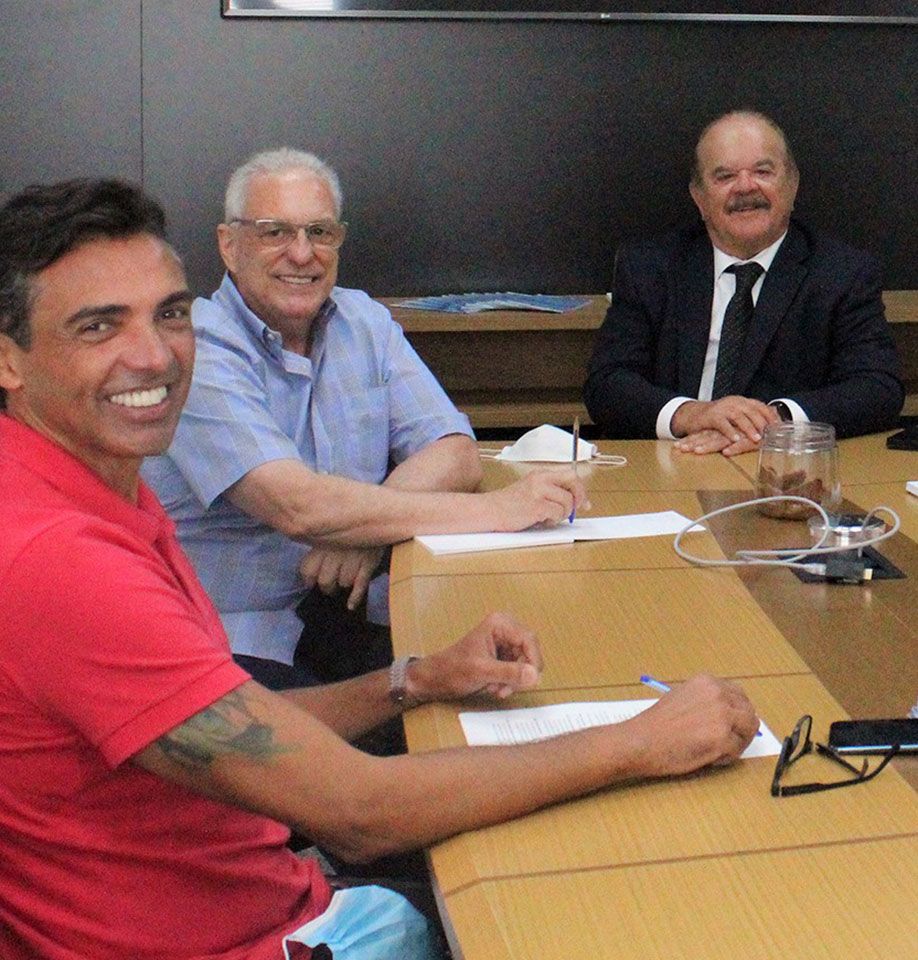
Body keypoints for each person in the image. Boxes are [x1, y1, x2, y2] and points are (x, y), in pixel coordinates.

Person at [0, 177, 762, 960]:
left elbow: (241, 733)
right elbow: (360, 813)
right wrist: (638, 740)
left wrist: (415, 680)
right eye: (98, 327)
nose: (154, 354)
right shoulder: (57, 557)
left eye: (169, 314)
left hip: (263, 892)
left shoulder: (81, 484)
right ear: (9, 361)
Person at [142, 148, 588, 688]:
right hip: (231, 639)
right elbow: (298, 506)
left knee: (525, 677)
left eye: (320, 233)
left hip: (359, 608)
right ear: (229, 246)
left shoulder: (364, 320)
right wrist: (501, 508)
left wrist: (364, 535)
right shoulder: (196, 347)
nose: (302, 253)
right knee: (408, 740)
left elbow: (455, 451)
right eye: (275, 232)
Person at [584, 109, 904, 454]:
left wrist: (774, 423)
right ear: (699, 198)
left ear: (792, 185)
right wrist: (693, 414)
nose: (746, 187)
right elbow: (608, 384)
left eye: (763, 172)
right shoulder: (650, 266)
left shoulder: (843, 272)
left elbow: (877, 387)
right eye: (724, 176)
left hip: (783, 468)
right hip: (674, 459)